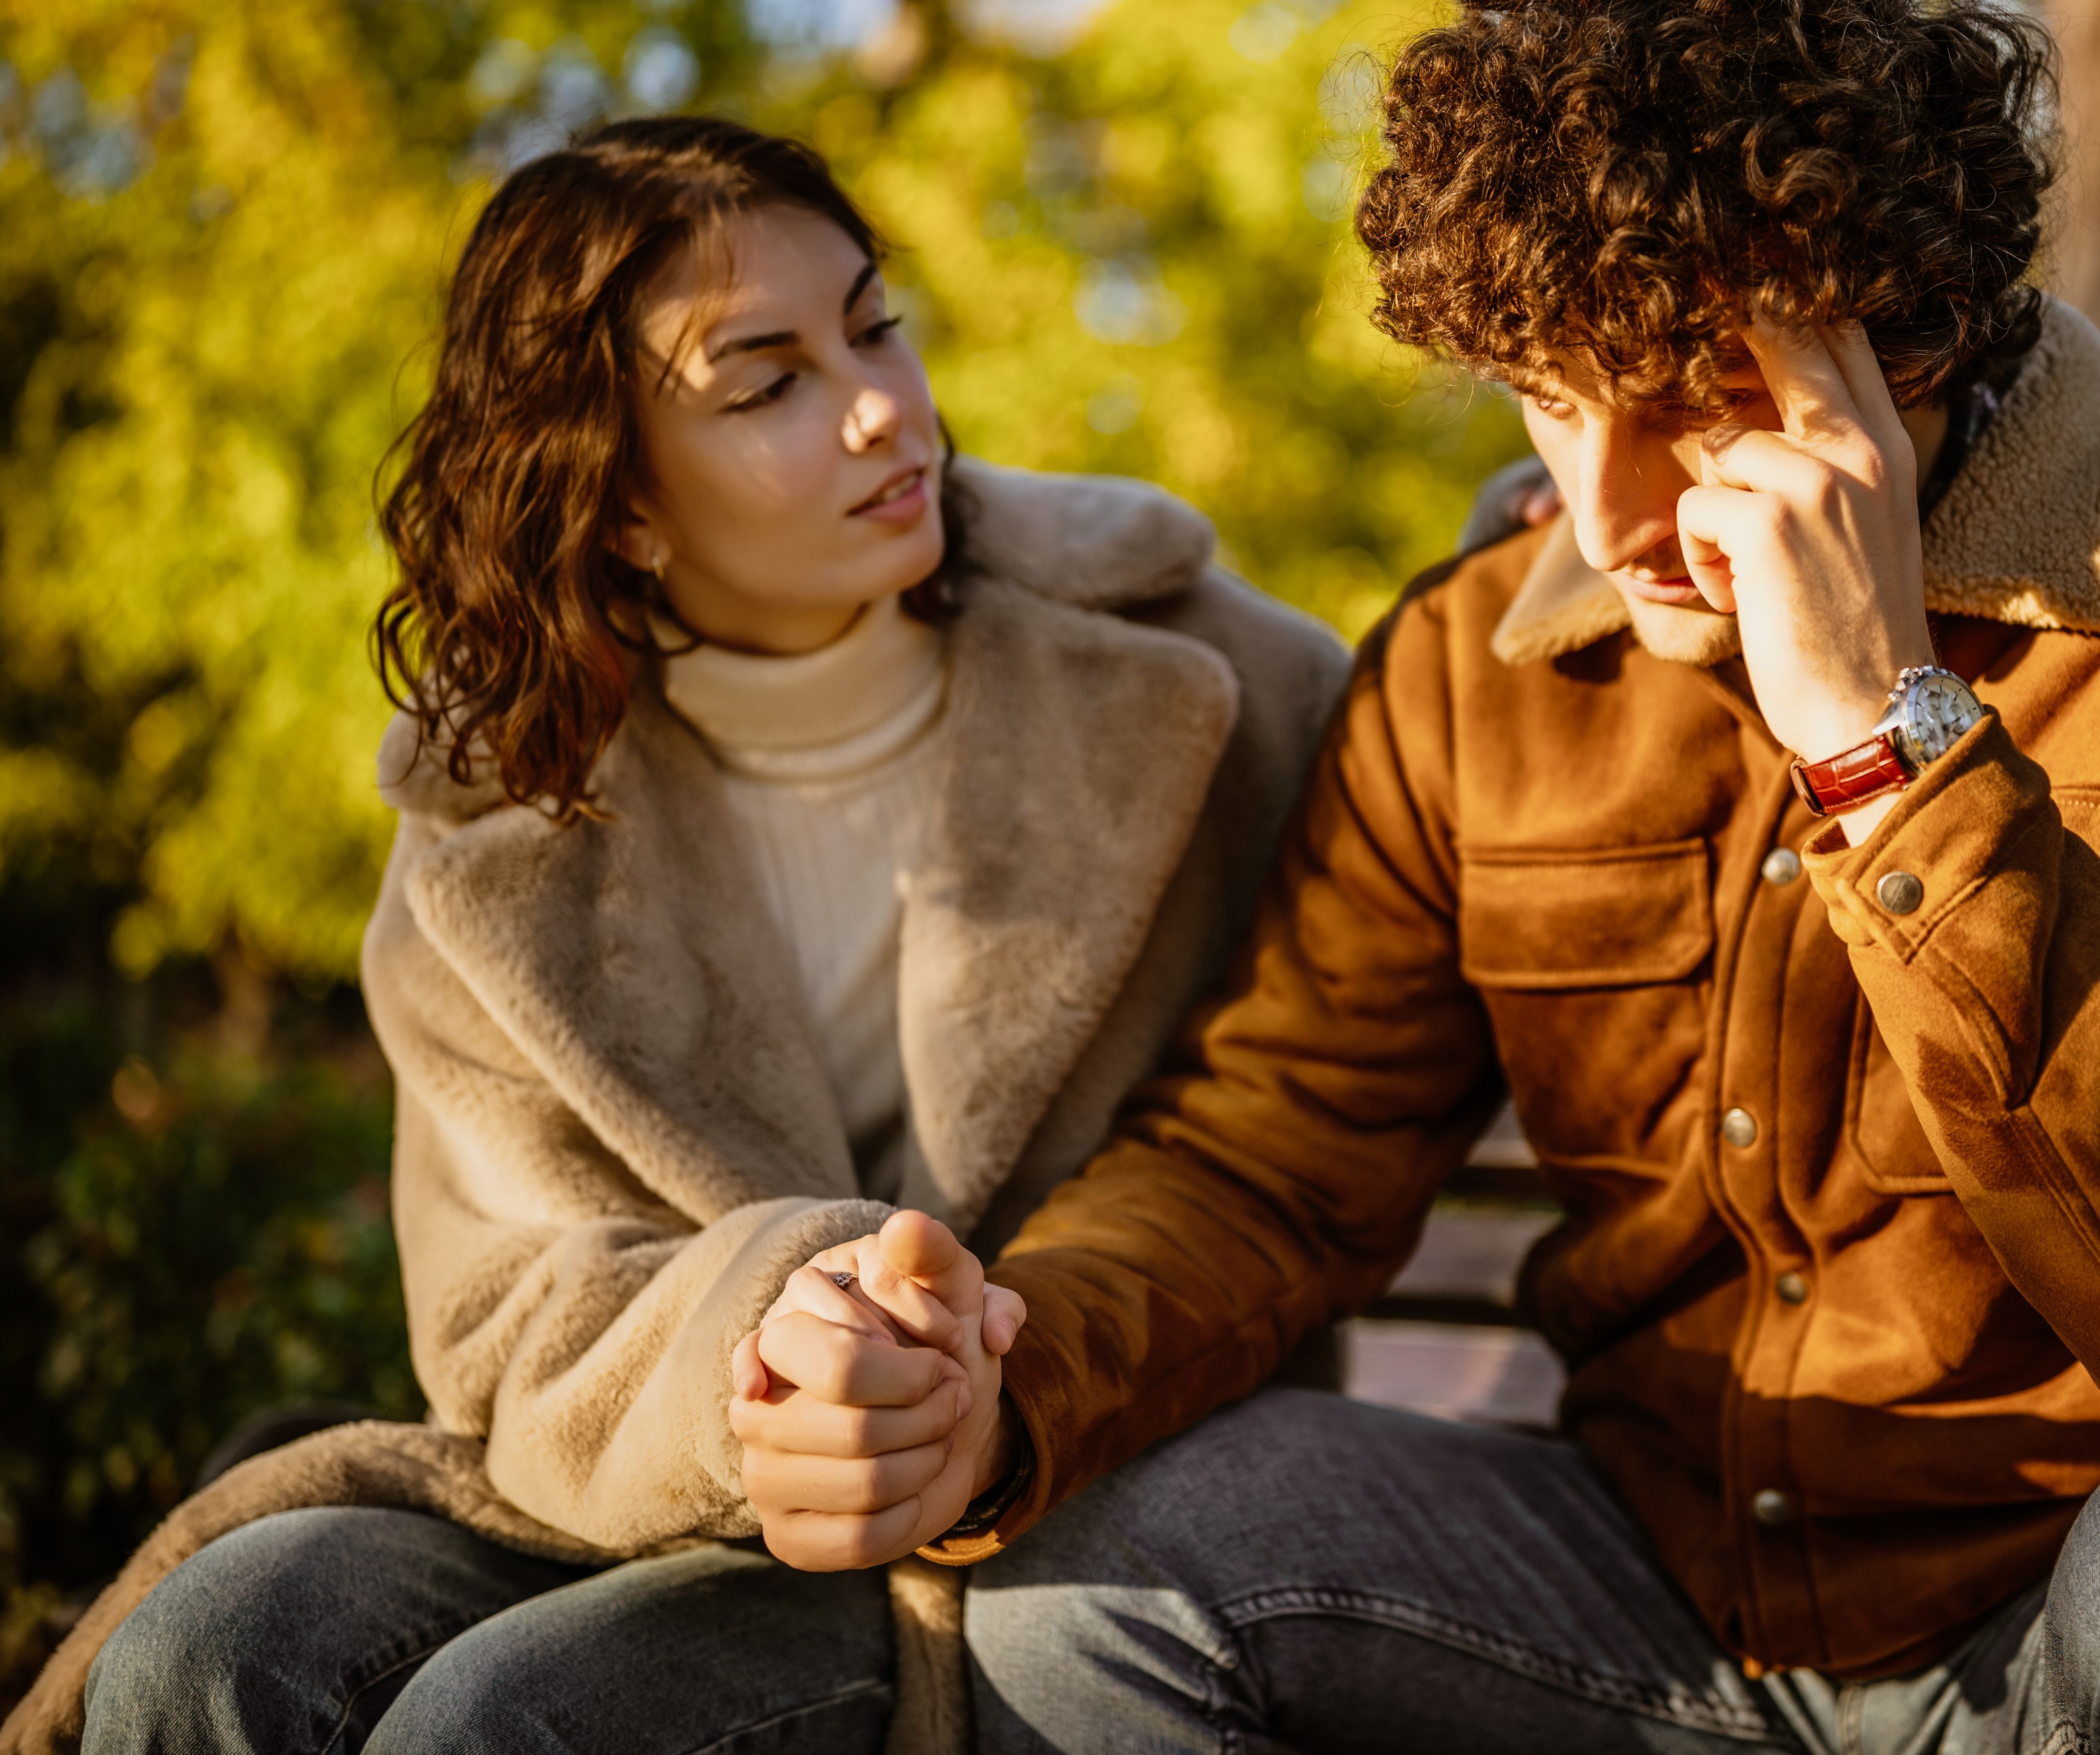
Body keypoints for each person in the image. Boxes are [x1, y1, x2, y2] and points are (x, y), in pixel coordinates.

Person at [806, 0, 2100, 1754]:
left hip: (2079, 1621)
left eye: (1687, 400)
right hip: (1639, 1609)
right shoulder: (1470, 667)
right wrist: (1002, 1387)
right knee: (1098, 1546)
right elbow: (1272, 1158)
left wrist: (1887, 738)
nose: (1600, 522)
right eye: (1543, 399)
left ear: (1905, 340)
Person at [5, 116, 1348, 1754]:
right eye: (766, 379)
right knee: (212, 1648)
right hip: (650, 1484)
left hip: (1062, 1498)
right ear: (624, 504)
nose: (881, 406)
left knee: (500, 1723)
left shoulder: (1203, 671)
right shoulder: (494, 820)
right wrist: (767, 1345)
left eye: (873, 324)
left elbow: (1436, 875)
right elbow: (508, 1313)